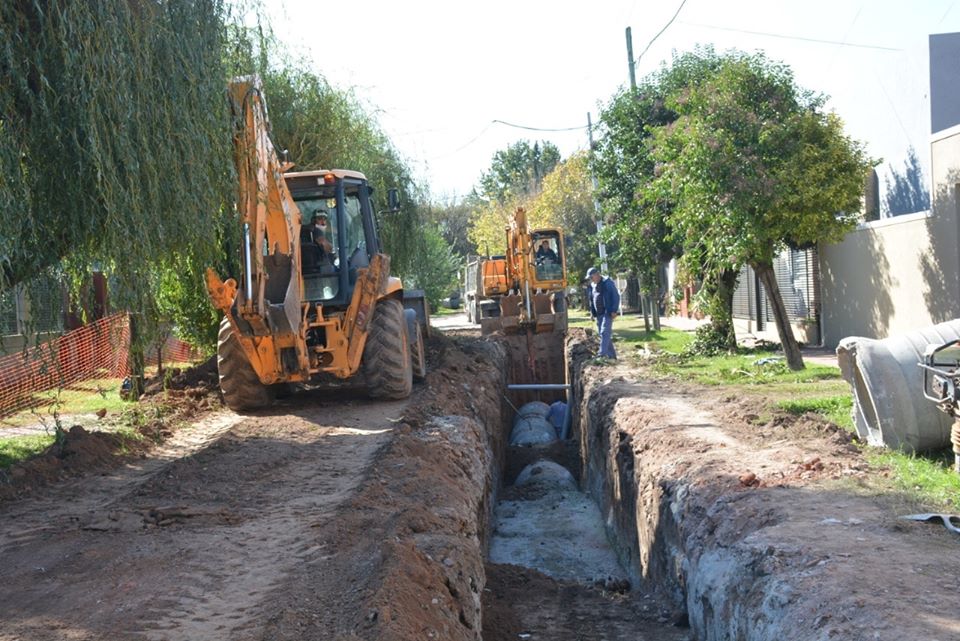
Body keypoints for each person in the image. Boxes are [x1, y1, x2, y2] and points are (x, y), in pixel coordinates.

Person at [587, 267, 620, 359]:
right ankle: (612, 357)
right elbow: (592, 299)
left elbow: (615, 296)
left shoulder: (607, 283)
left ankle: (601, 354)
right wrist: (592, 313)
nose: (591, 279)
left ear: (597, 275)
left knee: (604, 332)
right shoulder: (592, 285)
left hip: (607, 312)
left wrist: (614, 310)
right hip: (599, 314)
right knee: (604, 335)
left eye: (591, 277)